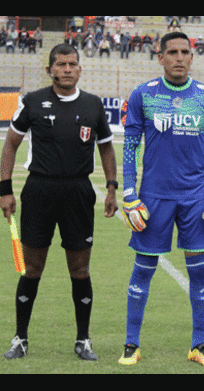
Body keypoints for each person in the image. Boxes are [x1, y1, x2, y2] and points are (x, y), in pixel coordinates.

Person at [117, 32, 204, 367]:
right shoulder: (143, 95)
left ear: (192, 57)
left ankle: (199, 345)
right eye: (173, 52)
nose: (179, 57)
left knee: (200, 273)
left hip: (196, 199)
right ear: (160, 57)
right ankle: (131, 344)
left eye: (185, 52)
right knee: (143, 270)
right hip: (153, 199)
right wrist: (129, 194)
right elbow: (130, 146)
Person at [1, 43, 118, 361]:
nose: (67, 69)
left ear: (80, 69)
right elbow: (11, 145)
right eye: (61, 64)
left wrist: (111, 187)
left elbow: (106, 148)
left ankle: (83, 340)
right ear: (49, 69)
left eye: (72, 64)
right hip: (39, 190)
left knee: (80, 268)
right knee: (31, 268)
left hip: (79, 192)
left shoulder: (94, 105)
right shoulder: (32, 102)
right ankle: (20, 338)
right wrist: (4, 190)